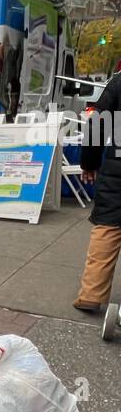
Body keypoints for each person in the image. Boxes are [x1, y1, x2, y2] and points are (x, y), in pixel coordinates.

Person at [73, 66, 121, 312]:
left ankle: (91, 295)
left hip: (117, 171)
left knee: (108, 228)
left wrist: (88, 163)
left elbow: (97, 126)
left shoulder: (118, 83)